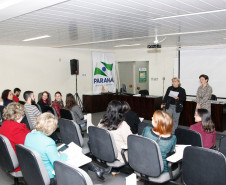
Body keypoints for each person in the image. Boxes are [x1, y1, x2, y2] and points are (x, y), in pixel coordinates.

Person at [24, 113, 110, 184]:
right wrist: (63, 155)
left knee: (75, 154)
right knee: (77, 156)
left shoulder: (29, 135)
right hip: (49, 176)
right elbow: (57, 163)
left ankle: (98, 169)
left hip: (35, 171)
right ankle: (96, 171)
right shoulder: (48, 142)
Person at [0, 103, 30, 172]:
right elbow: (28, 143)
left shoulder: (5, 124)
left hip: (7, 159)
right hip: (20, 161)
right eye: (22, 114)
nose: (23, 117)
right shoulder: (16, 128)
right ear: (17, 115)